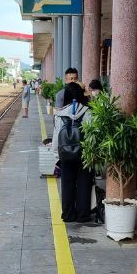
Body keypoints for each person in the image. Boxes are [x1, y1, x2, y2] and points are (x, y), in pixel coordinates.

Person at [54, 82, 93, 222]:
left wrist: (56, 155)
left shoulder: (60, 114)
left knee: (67, 184)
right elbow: (91, 135)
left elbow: (56, 136)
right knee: (84, 183)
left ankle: (68, 214)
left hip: (65, 154)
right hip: (84, 154)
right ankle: (83, 215)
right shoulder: (88, 112)